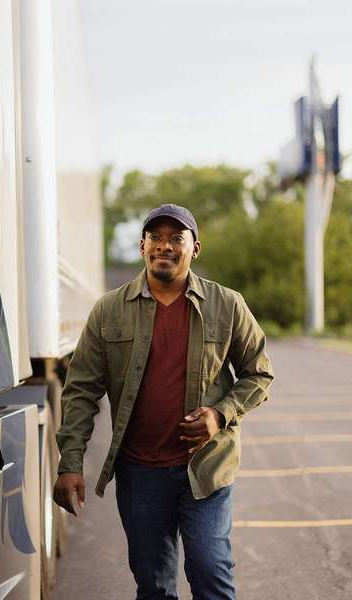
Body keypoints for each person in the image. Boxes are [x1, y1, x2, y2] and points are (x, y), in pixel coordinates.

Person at [53, 204, 274, 600]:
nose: (165, 246)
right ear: (142, 247)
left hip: (205, 470)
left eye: (177, 238)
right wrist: (70, 462)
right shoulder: (108, 310)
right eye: (156, 238)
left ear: (195, 248)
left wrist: (220, 415)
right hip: (141, 475)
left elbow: (259, 374)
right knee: (153, 587)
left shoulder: (227, 305)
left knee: (211, 575)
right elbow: (81, 389)